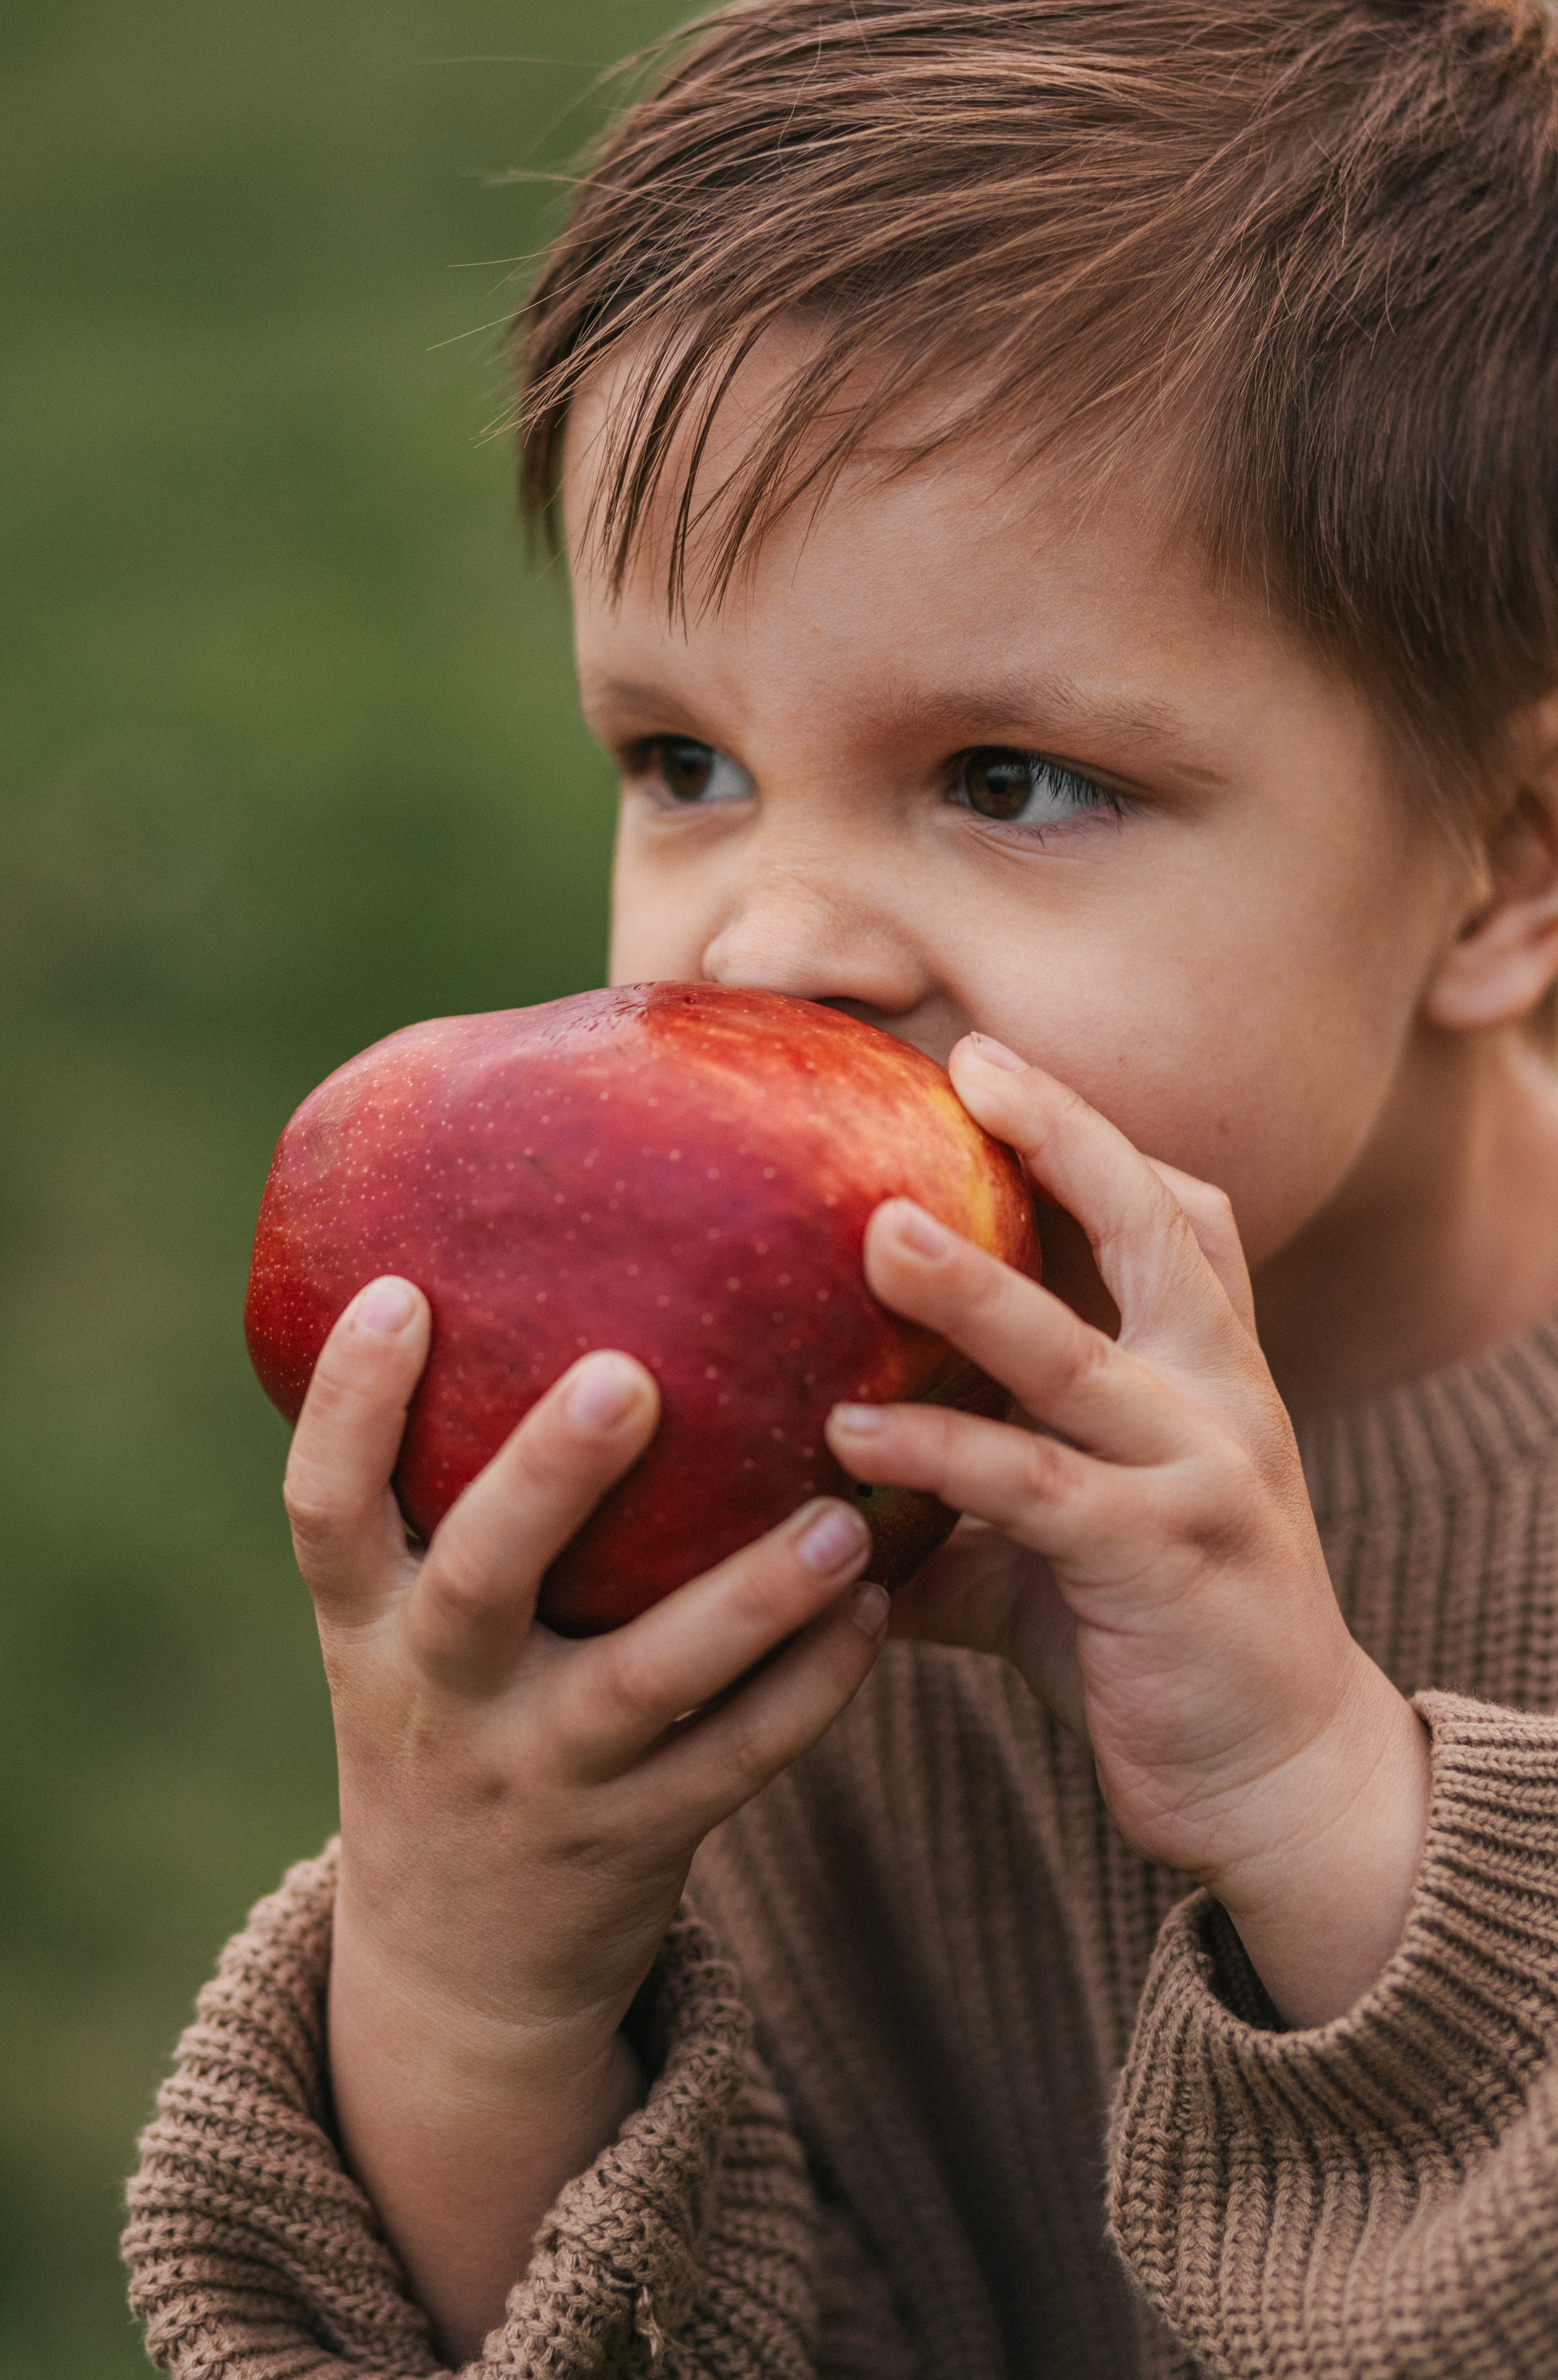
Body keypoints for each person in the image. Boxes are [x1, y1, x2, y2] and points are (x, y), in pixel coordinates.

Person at [123, 3, 1558, 2373]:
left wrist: (1322, 1808)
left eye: (1007, 779)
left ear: (1508, 870)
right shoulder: (780, 1542)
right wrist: (477, 1993)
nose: (765, 943)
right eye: (681, 759)